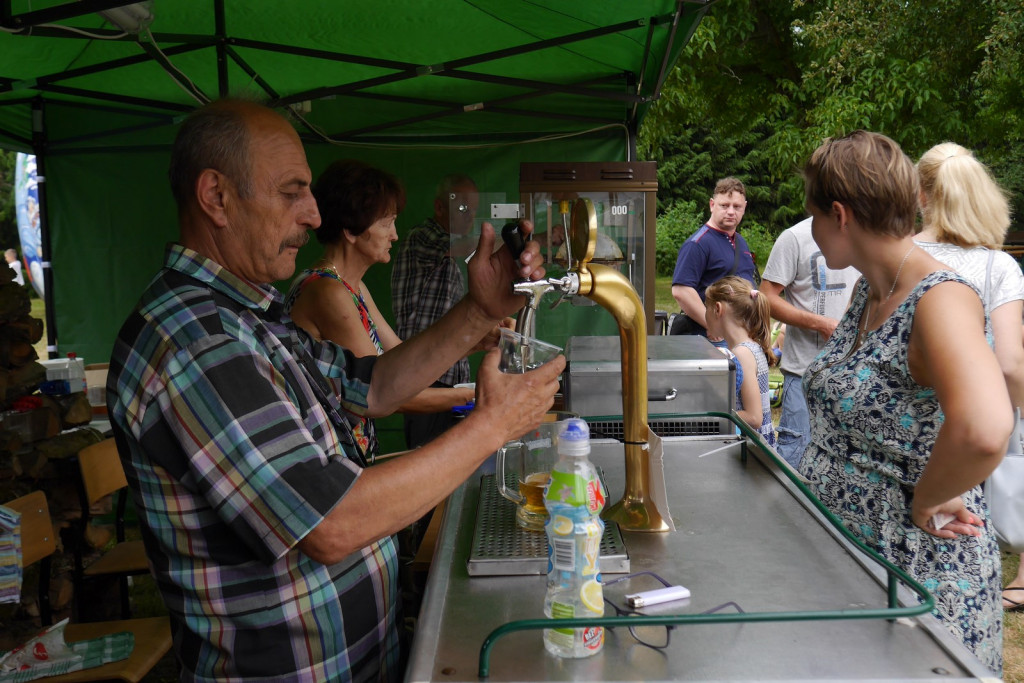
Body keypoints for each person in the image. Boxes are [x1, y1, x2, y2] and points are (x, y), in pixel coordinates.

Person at [105, 99, 563, 683]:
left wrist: (479, 311)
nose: (314, 215)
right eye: (291, 192)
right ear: (216, 197)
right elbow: (329, 524)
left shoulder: (248, 314)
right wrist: (492, 424)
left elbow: (371, 386)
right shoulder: (195, 339)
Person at [799, 130, 1011, 673]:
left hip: (916, 575)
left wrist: (929, 498)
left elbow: (986, 427)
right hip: (851, 565)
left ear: (840, 215)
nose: (813, 230)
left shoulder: (940, 298)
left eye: (814, 215)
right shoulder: (868, 289)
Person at [284, 159, 475, 461]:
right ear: (351, 230)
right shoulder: (327, 291)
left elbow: (403, 359)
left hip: (353, 454)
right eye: (386, 223)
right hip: (329, 462)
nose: (394, 234)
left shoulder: (353, 287)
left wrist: (473, 341)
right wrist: (473, 395)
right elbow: (382, 390)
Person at [914, 141, 1024, 614]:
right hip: (967, 434)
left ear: (920, 195)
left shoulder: (898, 257)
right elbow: (1009, 366)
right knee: (961, 541)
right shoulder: (997, 265)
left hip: (905, 428)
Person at [758, 217, 859, 466]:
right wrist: (819, 323)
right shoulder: (795, 237)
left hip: (855, 375)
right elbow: (766, 297)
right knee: (794, 462)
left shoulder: (867, 233)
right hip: (803, 373)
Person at [391, 174, 480, 448]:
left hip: (450, 378)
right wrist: (529, 241)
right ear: (440, 207)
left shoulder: (454, 253)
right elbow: (468, 247)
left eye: (473, 212)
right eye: (462, 208)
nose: (469, 218)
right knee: (427, 463)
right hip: (426, 379)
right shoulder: (424, 238)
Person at [670, 177, 757, 341]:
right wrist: (711, 325)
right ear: (712, 205)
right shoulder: (698, 243)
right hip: (709, 339)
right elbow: (681, 290)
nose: (731, 211)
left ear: (744, 207)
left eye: (737, 206)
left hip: (740, 334)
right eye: (724, 205)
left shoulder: (741, 242)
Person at [703, 275, 777, 446]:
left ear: (717, 309)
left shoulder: (742, 353)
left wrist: (712, 413)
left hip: (753, 451)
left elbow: (754, 417)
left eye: (705, 307)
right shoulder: (749, 346)